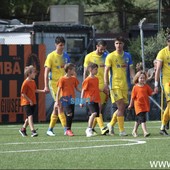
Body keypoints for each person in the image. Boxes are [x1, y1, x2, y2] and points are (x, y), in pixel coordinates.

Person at [104, 36, 135, 136]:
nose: (118, 45)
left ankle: (111, 124)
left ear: (123, 44)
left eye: (120, 43)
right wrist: (106, 84)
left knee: (122, 108)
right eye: (117, 43)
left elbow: (131, 70)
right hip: (115, 85)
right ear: (114, 44)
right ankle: (122, 131)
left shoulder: (127, 56)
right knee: (121, 107)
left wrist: (135, 80)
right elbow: (106, 71)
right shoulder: (110, 56)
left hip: (125, 86)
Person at [44, 36, 70, 136]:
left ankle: (50, 129)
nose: (62, 47)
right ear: (56, 45)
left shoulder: (66, 56)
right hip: (54, 85)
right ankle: (65, 129)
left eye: (63, 45)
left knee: (56, 107)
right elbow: (46, 72)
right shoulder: (51, 56)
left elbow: (69, 70)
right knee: (60, 106)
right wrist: (46, 86)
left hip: (64, 85)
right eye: (60, 45)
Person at [83, 40, 109, 135]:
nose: (103, 51)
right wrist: (84, 82)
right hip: (92, 87)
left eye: (104, 49)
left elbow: (108, 71)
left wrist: (107, 85)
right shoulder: (89, 56)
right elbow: (85, 71)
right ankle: (102, 128)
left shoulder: (106, 56)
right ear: (97, 46)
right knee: (97, 109)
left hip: (102, 84)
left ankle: (91, 128)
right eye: (101, 49)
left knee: (99, 109)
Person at [54, 63, 81, 136]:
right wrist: (57, 101)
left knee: (71, 115)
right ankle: (68, 130)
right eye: (73, 69)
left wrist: (85, 91)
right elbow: (58, 90)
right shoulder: (62, 79)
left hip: (72, 99)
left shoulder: (73, 79)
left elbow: (77, 88)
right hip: (65, 99)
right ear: (69, 70)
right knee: (69, 113)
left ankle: (68, 129)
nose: (74, 70)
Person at [19, 65, 45, 137]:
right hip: (26, 103)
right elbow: (23, 94)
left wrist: (43, 91)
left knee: (28, 118)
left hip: (33, 102)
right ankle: (33, 131)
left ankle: (23, 129)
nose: (35, 74)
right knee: (30, 116)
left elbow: (35, 90)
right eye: (34, 72)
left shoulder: (33, 82)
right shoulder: (25, 82)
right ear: (29, 74)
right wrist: (29, 100)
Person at [128, 71, 156, 137]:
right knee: (143, 118)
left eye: (143, 78)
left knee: (138, 119)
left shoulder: (146, 86)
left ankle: (134, 131)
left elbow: (150, 93)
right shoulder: (135, 87)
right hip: (138, 106)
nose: (142, 79)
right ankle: (145, 132)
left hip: (145, 105)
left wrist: (154, 92)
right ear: (137, 78)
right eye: (141, 78)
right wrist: (130, 105)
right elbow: (132, 97)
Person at [154, 35, 170, 136]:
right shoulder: (162, 52)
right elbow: (158, 69)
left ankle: (163, 126)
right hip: (167, 82)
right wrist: (156, 84)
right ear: (167, 42)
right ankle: (163, 126)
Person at [80, 63, 101, 137]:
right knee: (94, 113)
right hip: (89, 99)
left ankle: (90, 128)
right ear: (90, 70)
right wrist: (81, 101)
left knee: (94, 115)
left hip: (96, 99)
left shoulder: (96, 79)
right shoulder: (87, 80)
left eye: (97, 69)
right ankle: (89, 129)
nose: (97, 70)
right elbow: (83, 90)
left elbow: (96, 89)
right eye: (95, 69)